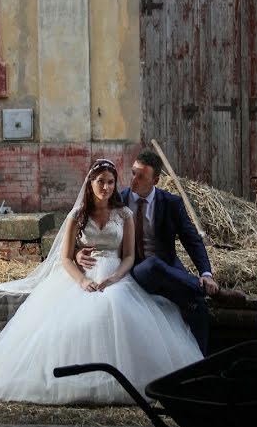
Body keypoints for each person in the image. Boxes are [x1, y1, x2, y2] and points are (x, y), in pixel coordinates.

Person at [0, 158, 203, 404]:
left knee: (116, 304)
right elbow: (65, 256)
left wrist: (117, 276)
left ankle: (124, 377)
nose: (106, 187)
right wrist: (82, 278)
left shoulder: (126, 212)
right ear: (90, 183)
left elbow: (130, 255)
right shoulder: (79, 214)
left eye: (110, 182)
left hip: (119, 273)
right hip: (83, 274)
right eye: (100, 181)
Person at [76, 150, 245, 355]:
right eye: (133, 173)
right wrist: (78, 254)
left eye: (141, 176)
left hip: (167, 266)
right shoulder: (118, 200)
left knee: (196, 304)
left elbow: (191, 239)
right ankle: (216, 294)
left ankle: (200, 361)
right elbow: (89, 228)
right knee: (151, 265)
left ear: (155, 180)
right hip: (132, 268)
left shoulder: (171, 203)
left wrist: (206, 274)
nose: (134, 180)